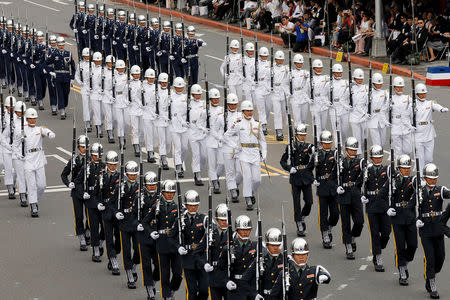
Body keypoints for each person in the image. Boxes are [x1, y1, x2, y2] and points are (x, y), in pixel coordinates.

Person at [224, 100, 267, 210]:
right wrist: (235, 146)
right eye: (247, 111)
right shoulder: (238, 124)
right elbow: (227, 135)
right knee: (247, 176)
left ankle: (251, 192)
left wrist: (265, 153)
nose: (249, 113)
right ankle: (248, 199)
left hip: (255, 154)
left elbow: (263, 141)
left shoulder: (257, 124)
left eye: (251, 110)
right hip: (243, 154)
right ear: (243, 111)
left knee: (257, 179)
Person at [417, 163, 450, 299]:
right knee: (430, 258)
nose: (433, 180)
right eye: (430, 178)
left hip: (438, 229)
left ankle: (431, 275)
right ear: (425, 178)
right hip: (425, 230)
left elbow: (448, 193)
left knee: (440, 258)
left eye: (435, 178)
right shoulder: (419, 191)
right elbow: (410, 206)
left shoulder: (440, 190)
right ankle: (431, 282)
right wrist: (416, 220)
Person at [385, 154, 417, 286]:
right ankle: (402, 269)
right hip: (397, 218)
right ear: (398, 168)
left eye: (408, 168)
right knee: (400, 245)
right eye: (404, 168)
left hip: (410, 217)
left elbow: (418, 195)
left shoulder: (413, 180)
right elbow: (382, 194)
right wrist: (387, 208)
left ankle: (405, 260)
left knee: (413, 245)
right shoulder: (393, 181)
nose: (406, 170)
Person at [148, 180, 183, 299]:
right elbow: (145, 222)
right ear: (162, 192)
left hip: (175, 244)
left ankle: (172, 290)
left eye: (172, 192)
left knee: (178, 274)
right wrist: (151, 231)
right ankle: (167, 296)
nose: (170, 195)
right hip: (162, 243)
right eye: (167, 192)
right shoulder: (157, 206)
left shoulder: (178, 207)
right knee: (165, 273)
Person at [280, 123, 314, 237]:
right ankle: (299, 223)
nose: (302, 137)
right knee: (296, 202)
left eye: (304, 135)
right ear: (296, 135)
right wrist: (290, 168)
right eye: (300, 135)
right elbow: (283, 161)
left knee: (309, 202)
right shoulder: (291, 147)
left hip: (306, 176)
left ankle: (302, 216)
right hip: (295, 178)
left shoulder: (309, 147)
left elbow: (314, 161)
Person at [362, 145, 390, 272]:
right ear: (372, 158)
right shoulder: (367, 170)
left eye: (380, 157)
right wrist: (362, 195)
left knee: (386, 232)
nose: (378, 159)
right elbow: (360, 184)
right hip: (372, 204)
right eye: (375, 157)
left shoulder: (388, 170)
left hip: (384, 205)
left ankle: (380, 245)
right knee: (374, 233)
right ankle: (377, 257)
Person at [336, 137, 365, 259]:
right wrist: (336, 187)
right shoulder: (340, 162)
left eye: (354, 150)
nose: (353, 152)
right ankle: (348, 245)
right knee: (345, 222)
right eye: (351, 150)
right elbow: (334, 177)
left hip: (355, 194)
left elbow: (366, 178)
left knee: (359, 221)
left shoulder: (360, 162)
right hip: (343, 195)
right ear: (346, 149)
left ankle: (353, 236)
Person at [23, 108, 55, 217]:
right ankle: (33, 205)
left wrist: (50, 133)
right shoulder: (22, 130)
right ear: (27, 119)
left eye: (34, 118)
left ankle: (34, 199)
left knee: (42, 185)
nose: (33, 120)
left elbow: (46, 131)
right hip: (27, 159)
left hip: (39, 159)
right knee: (31, 185)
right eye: (31, 118)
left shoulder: (39, 129)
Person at [61, 134, 91, 250]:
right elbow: (64, 174)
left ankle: (88, 230)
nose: (85, 148)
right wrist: (69, 183)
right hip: (77, 192)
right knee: (79, 216)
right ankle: (81, 236)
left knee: (90, 216)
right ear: (78, 148)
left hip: (89, 192)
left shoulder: (91, 160)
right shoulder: (74, 160)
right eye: (82, 147)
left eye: (86, 147)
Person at [178, 190, 209, 299]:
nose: (193, 208)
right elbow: (171, 235)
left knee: (205, 290)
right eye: (190, 205)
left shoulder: (203, 218)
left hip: (201, 258)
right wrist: (178, 247)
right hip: (188, 259)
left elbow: (212, 232)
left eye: (195, 205)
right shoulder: (181, 219)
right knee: (191, 291)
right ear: (186, 205)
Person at [78, 142, 106, 263]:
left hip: (102, 200)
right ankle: (95, 250)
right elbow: (78, 182)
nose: (97, 157)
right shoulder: (87, 167)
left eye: (99, 155)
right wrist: (82, 193)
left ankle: (100, 243)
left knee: (105, 227)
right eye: (95, 155)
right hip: (91, 200)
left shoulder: (105, 167)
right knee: (94, 227)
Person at [413, 83, 448, 174]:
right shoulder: (413, 104)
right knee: (420, 159)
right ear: (417, 94)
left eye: (425, 93)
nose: (423, 95)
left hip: (429, 133)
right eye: (421, 94)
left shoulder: (430, 103)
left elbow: (435, 106)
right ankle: (420, 178)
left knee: (429, 158)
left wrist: (441, 109)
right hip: (418, 134)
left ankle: (427, 175)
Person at [117, 160, 141, 289]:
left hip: (136, 223)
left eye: (135, 174)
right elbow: (113, 202)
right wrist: (117, 213)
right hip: (125, 223)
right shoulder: (121, 187)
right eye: (131, 174)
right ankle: (130, 275)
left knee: (138, 250)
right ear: (126, 174)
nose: (133, 176)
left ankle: (134, 266)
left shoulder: (140, 188)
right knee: (126, 250)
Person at [97, 150, 122, 276]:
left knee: (118, 239)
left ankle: (115, 253)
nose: (113, 167)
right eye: (111, 164)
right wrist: (98, 203)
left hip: (117, 211)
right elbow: (96, 193)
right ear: (106, 163)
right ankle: (113, 260)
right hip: (106, 210)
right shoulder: (101, 176)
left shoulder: (120, 176)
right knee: (109, 237)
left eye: (115, 164)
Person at [221, 215, 257, 299]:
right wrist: (226, 282)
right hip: (235, 286)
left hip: (250, 287)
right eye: (242, 230)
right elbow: (220, 269)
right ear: (237, 230)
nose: (245, 232)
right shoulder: (229, 248)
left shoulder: (256, 246)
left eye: (247, 229)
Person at [314, 130, 339, 249]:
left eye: (329, 143)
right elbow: (310, 168)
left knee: (335, 213)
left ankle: (329, 227)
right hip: (322, 187)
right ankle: (325, 235)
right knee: (323, 213)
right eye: (325, 143)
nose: (327, 145)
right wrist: (312, 179)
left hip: (333, 187)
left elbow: (341, 170)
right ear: (321, 143)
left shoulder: (336, 154)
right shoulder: (317, 155)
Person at [244, 228, 284, 299]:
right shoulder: (260, 260)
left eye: (278, 245)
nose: (275, 248)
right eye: (272, 245)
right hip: (263, 297)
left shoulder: (286, 261)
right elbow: (245, 280)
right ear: (267, 245)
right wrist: (254, 294)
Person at [138, 171, 161, 300]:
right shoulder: (140, 197)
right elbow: (135, 213)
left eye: (154, 184)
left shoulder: (161, 197)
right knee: (146, 264)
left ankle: (153, 280)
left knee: (158, 265)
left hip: (156, 235)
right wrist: (138, 224)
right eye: (149, 184)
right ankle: (149, 289)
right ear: (145, 185)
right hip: (145, 235)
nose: (152, 186)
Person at [44, 36, 76, 120]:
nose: (61, 46)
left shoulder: (68, 53)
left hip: (66, 77)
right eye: (59, 45)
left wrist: (72, 77)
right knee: (60, 94)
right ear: (57, 45)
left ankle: (64, 107)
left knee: (66, 94)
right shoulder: (54, 54)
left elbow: (73, 67)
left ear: (64, 44)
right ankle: (62, 111)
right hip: (58, 77)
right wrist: (49, 72)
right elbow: (45, 63)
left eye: (62, 44)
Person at [203, 203, 230, 299]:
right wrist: (205, 263)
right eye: (222, 220)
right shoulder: (210, 235)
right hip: (214, 275)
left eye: (226, 220)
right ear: (217, 220)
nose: (225, 222)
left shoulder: (234, 236)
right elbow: (198, 252)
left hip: (228, 276)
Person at [222, 93, 242, 202]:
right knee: (230, 171)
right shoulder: (223, 116)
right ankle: (233, 190)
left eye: (235, 104)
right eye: (231, 104)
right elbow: (221, 132)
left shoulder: (241, 115)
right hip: (227, 146)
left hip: (238, 146)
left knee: (241, 171)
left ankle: (235, 184)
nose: (233, 106)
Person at [206, 88, 225, 194]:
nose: (216, 100)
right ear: (210, 99)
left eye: (217, 98)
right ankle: (214, 182)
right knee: (212, 164)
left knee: (222, 163)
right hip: (210, 140)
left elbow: (224, 125)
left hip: (221, 140)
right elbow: (205, 125)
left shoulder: (222, 110)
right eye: (214, 99)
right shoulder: (206, 111)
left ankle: (216, 177)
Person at [188, 84, 208, 186]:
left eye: (199, 94)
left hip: (202, 133)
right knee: (196, 155)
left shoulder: (204, 104)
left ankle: (200, 169)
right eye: (196, 94)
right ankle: (197, 175)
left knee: (204, 156)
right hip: (192, 133)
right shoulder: (188, 104)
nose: (198, 96)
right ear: (192, 94)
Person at [170, 76, 189, 176]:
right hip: (174, 125)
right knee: (177, 148)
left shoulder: (186, 97)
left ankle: (180, 162)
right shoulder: (171, 96)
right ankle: (178, 168)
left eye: (181, 87)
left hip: (185, 126)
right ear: (174, 87)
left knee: (185, 148)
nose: (180, 89)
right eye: (178, 87)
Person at [391, 76, 412, 157]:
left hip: (406, 126)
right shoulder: (391, 98)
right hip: (395, 126)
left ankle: (406, 164)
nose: (400, 89)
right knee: (398, 150)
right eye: (398, 87)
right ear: (394, 87)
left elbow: (416, 104)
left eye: (401, 87)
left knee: (407, 149)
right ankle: (398, 168)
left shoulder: (407, 98)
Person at [348, 68, 368, 154]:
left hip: (364, 116)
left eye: (361, 79)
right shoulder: (351, 88)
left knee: (364, 137)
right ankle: (358, 155)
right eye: (358, 79)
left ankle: (363, 152)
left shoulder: (366, 88)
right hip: (354, 116)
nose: (360, 80)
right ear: (354, 78)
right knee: (357, 138)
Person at [329, 63, 351, 143]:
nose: (339, 74)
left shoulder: (346, 83)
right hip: (334, 109)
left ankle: (344, 147)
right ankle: (338, 149)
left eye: (340, 72)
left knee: (345, 131)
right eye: (337, 73)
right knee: (337, 131)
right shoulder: (329, 83)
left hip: (344, 110)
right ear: (333, 73)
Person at [271, 50, 289, 141]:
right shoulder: (271, 68)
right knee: (277, 112)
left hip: (283, 92)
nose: (280, 61)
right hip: (275, 92)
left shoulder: (286, 69)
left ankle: (284, 127)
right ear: (275, 59)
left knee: (284, 112)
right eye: (278, 59)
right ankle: (279, 131)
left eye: (282, 60)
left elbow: (289, 80)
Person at [367, 73, 388, 148]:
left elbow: (389, 102)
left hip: (382, 119)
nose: (379, 85)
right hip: (373, 119)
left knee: (383, 141)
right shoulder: (369, 93)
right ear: (373, 83)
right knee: (377, 143)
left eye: (380, 84)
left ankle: (379, 154)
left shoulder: (385, 93)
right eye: (377, 84)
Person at [113, 59, 130, 148]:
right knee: (120, 122)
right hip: (117, 100)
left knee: (127, 122)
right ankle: (121, 138)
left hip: (125, 100)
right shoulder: (114, 77)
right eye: (119, 68)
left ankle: (124, 134)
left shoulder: (127, 77)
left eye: (122, 68)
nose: (121, 70)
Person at [2, 95, 17, 199]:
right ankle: (10, 187)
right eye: (8, 107)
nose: (10, 109)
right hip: (3, 142)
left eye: (12, 107)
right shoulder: (1, 115)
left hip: (16, 143)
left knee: (16, 168)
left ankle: (13, 184)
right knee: (6, 166)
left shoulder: (19, 114)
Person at [75, 48, 93, 131]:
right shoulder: (80, 65)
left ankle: (91, 119)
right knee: (85, 106)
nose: (87, 57)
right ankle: (87, 122)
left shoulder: (93, 64)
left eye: (88, 56)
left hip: (93, 88)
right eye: (85, 56)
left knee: (92, 107)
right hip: (84, 87)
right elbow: (77, 76)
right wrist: (80, 82)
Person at [142, 68, 158, 163]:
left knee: (156, 135)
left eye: (153, 78)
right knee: (149, 134)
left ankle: (153, 149)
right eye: (149, 78)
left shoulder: (157, 87)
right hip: (147, 113)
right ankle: (150, 152)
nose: (151, 79)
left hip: (155, 113)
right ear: (146, 78)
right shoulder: (142, 87)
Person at [254, 47, 272, 135]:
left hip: (267, 88)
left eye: (265, 56)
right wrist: (253, 81)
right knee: (261, 108)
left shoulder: (270, 64)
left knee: (268, 108)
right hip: (258, 88)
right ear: (260, 55)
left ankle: (264, 122)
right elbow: (249, 74)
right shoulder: (255, 64)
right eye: (262, 56)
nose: (264, 57)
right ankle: (263, 125)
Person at [156, 72, 171, 170]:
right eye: (162, 82)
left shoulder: (171, 93)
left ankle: (165, 154)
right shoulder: (156, 92)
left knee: (169, 141)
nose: (164, 84)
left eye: (165, 82)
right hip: (160, 120)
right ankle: (163, 158)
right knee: (162, 141)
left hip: (169, 120)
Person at [128, 65, 144, 157]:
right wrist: (128, 102)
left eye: (138, 74)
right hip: (133, 109)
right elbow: (126, 96)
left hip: (141, 110)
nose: (137, 76)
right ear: (132, 74)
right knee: (135, 129)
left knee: (142, 129)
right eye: (135, 74)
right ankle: (136, 145)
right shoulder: (129, 84)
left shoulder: (142, 84)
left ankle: (140, 143)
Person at [102, 55, 116, 143]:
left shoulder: (117, 72)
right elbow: (103, 87)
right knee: (109, 116)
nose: (111, 64)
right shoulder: (103, 72)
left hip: (115, 96)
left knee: (115, 117)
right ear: (106, 63)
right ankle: (110, 133)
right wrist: (109, 96)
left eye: (112, 63)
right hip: (106, 96)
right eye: (109, 63)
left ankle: (113, 130)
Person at [90, 52, 104, 138]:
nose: (98, 62)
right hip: (94, 93)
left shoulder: (104, 70)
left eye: (99, 61)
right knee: (96, 112)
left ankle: (101, 126)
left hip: (103, 94)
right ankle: (99, 129)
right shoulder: (90, 69)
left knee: (102, 113)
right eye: (96, 61)